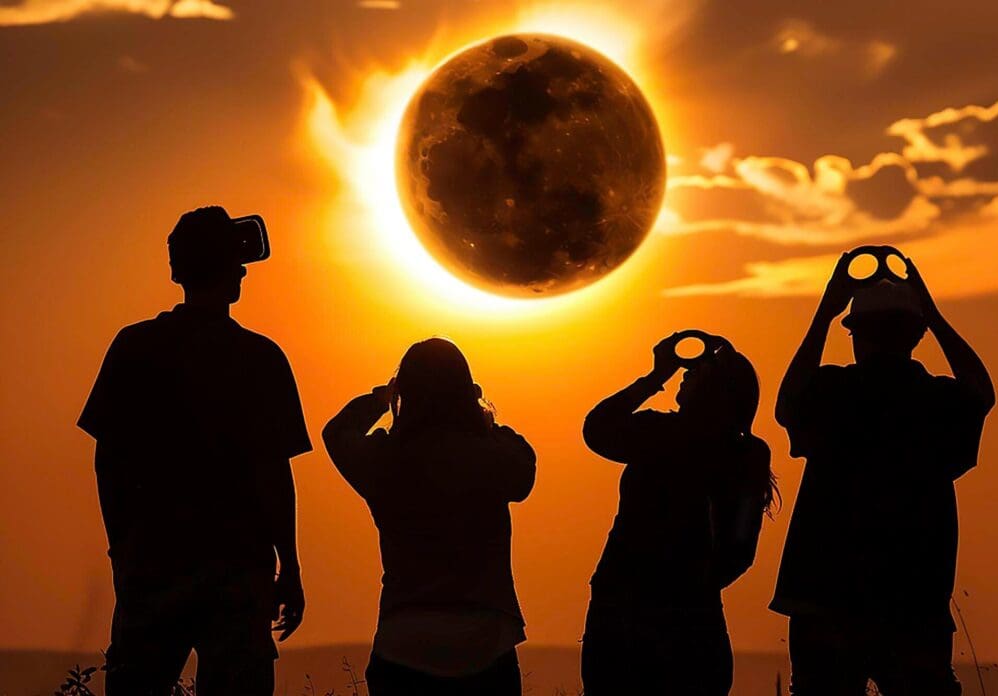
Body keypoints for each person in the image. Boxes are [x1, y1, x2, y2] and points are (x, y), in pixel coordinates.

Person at [78, 206, 311, 695]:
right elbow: (274, 474)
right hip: (237, 571)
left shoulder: (135, 346)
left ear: (178, 271)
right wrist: (288, 566)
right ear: (228, 269)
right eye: (236, 261)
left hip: (152, 564)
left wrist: (122, 547)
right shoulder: (261, 359)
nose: (244, 271)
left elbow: (108, 461)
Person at [771, 251, 995, 696]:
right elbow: (980, 392)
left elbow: (787, 404)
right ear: (916, 334)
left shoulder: (832, 393)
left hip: (825, 599)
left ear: (855, 336)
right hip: (913, 602)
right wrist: (933, 313)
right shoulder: (935, 402)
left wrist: (824, 312)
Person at [323, 337, 536, 696]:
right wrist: (483, 417)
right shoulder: (489, 458)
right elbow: (524, 467)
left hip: (404, 638)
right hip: (484, 638)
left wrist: (382, 397)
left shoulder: (385, 460)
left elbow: (337, 432)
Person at [581, 330, 778, 696]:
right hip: (693, 616)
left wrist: (656, 376)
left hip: (625, 609)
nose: (685, 375)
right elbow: (741, 551)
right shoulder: (746, 455)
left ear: (714, 392)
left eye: (696, 373)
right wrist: (696, 588)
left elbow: (597, 429)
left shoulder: (660, 434)